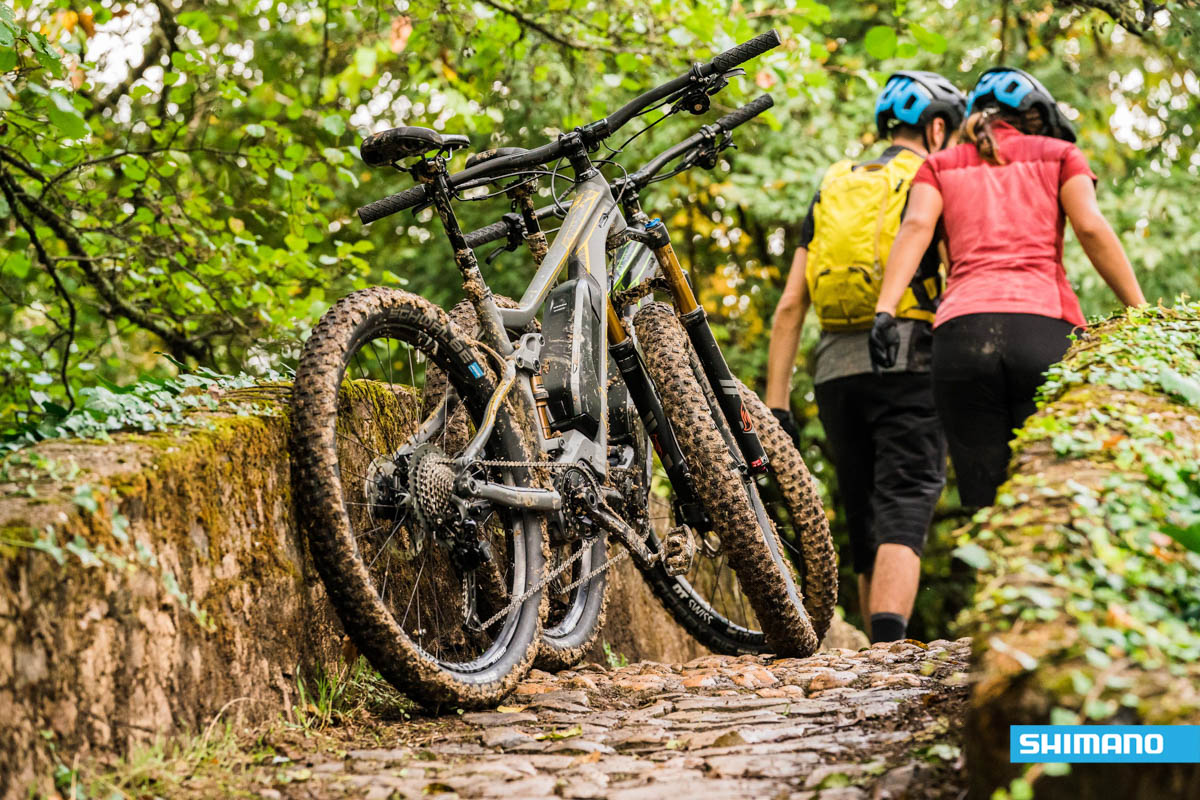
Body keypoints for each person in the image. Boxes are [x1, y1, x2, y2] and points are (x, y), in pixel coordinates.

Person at [871, 67, 1146, 510]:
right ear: (1036, 117)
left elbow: (917, 226)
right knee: (1049, 489)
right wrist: (1141, 311)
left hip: (960, 338)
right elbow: (1091, 228)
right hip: (1044, 330)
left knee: (985, 504)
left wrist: (885, 311)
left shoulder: (938, 165)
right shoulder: (1061, 154)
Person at [766, 72, 966, 644]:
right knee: (907, 493)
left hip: (834, 371)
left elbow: (791, 303)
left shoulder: (834, 182)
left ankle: (869, 657)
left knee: (862, 509)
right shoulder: (931, 179)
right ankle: (886, 649)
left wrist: (777, 405)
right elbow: (957, 271)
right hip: (908, 356)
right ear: (935, 129)